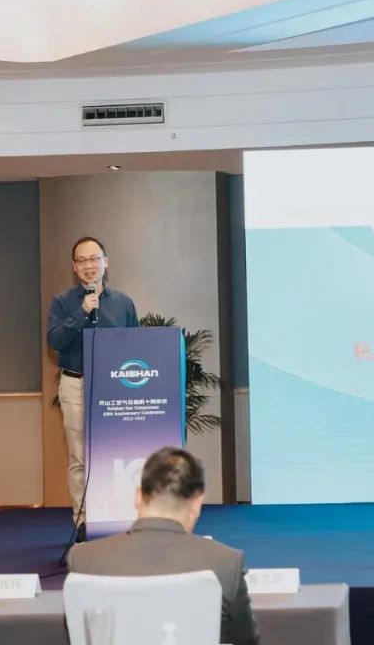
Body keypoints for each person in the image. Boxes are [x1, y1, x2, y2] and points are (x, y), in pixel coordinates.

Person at [68, 447, 259, 645]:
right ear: (197, 503)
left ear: (138, 496)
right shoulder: (225, 563)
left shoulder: (83, 559)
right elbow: (247, 640)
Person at [47, 236, 139, 540]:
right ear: (74, 267)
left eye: (94, 258)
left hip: (115, 388)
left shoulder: (123, 303)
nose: (89, 265)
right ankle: (83, 522)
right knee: (79, 456)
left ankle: (119, 518)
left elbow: (137, 346)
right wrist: (82, 312)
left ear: (105, 262)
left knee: (116, 452)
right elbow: (54, 341)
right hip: (76, 384)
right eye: (82, 260)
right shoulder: (62, 302)